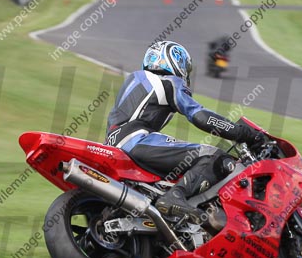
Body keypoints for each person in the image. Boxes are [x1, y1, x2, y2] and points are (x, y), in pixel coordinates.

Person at [105, 41, 267, 219]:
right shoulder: (168, 82)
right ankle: (176, 196)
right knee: (213, 155)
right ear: (174, 61)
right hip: (136, 141)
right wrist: (242, 132)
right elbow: (200, 116)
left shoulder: (136, 79)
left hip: (114, 145)